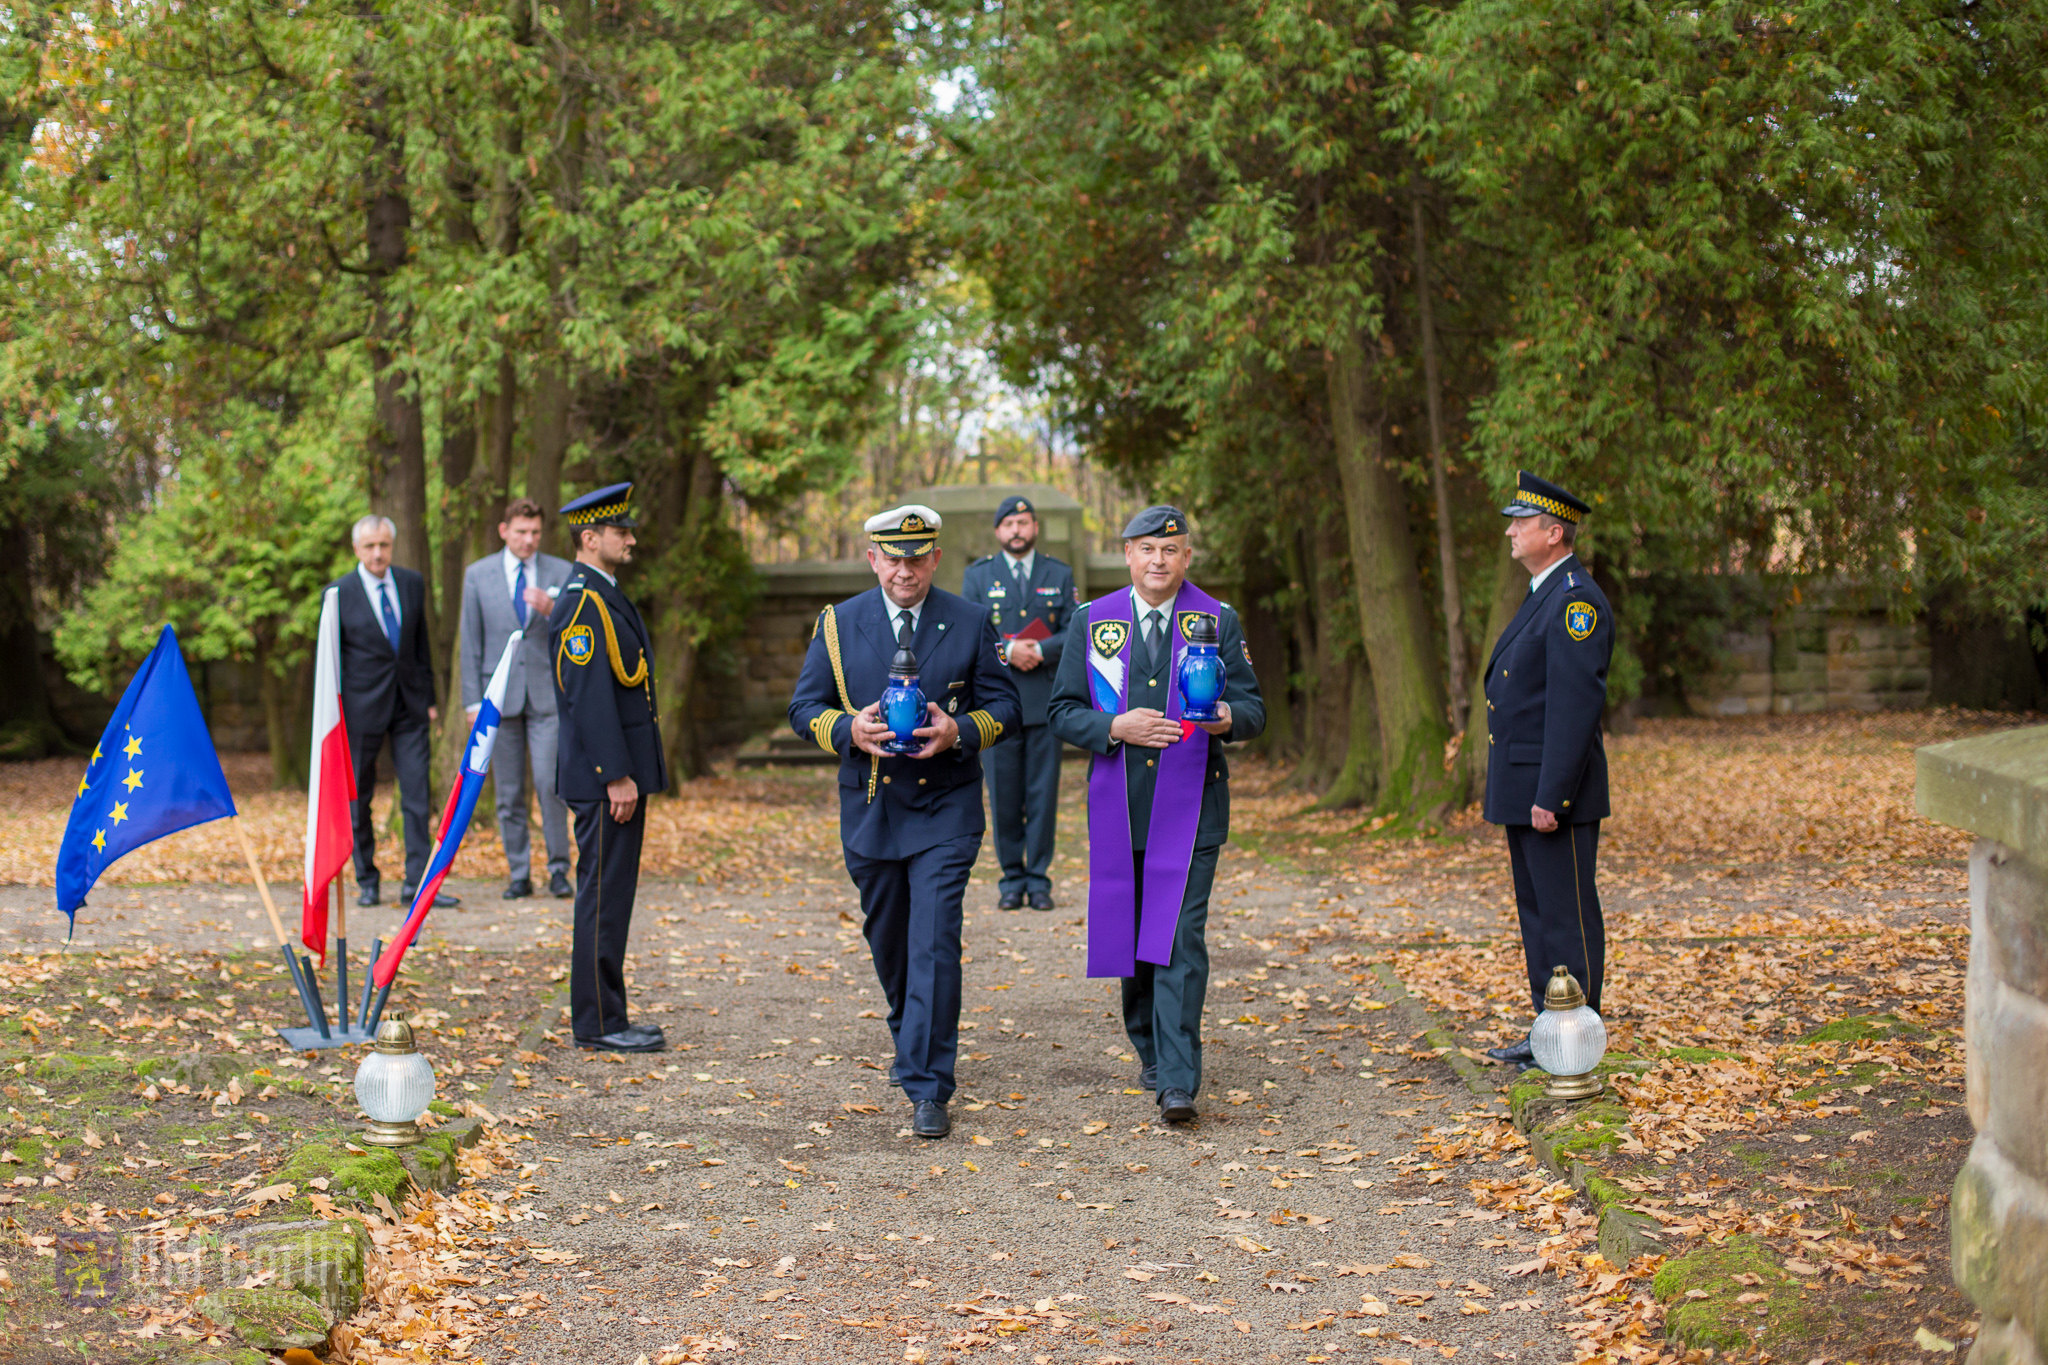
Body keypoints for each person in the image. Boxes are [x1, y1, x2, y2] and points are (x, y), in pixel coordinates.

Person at [788, 505, 1020, 1139]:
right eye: (892, 557)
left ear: (935, 560)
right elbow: (803, 705)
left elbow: (1005, 704)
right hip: (871, 808)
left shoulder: (970, 620)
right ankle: (909, 1032)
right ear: (873, 559)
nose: (904, 570)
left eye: (916, 557)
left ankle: (928, 1083)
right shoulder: (838, 624)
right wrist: (846, 729)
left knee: (935, 942)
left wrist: (959, 730)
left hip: (947, 808)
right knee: (889, 941)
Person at [1048, 506, 1263, 1124]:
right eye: (1146, 549)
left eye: (1170, 550)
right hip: (1121, 806)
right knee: (1133, 936)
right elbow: (1061, 711)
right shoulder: (1093, 621)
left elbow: (1251, 708)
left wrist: (1224, 717)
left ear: (1186, 557)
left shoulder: (1217, 619)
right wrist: (1113, 725)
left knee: (1177, 935)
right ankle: (1147, 1045)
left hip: (1193, 808)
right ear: (1128, 554)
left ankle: (1177, 1078)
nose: (1158, 561)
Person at [1479, 471, 1615, 1068]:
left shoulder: (1574, 602)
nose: (1511, 531)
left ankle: (1577, 1036)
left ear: (1553, 532)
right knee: (1537, 915)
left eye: (1521, 522)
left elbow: (1573, 706)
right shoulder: (1544, 593)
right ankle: (1548, 1031)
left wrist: (1552, 796)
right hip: (1524, 785)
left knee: (1566, 915)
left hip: (1550, 793)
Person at [551, 483, 669, 1053]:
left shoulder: (602, 594)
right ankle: (598, 1021)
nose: (632, 539)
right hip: (605, 781)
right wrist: (615, 774)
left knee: (612, 893)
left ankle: (607, 1013)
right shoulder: (581, 601)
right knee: (601, 895)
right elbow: (587, 693)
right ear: (590, 538)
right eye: (622, 531)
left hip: (616, 776)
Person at [959, 495, 1076, 911]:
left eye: (1024, 521)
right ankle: (1011, 879)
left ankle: (1039, 880)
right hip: (997, 705)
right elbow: (968, 633)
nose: (1016, 530)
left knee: (1043, 795)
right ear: (997, 531)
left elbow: (1074, 630)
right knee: (1004, 795)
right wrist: (1009, 650)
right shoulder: (978, 576)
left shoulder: (1058, 574)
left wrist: (1040, 650)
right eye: (1009, 523)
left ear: (1035, 527)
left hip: (1045, 702)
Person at [331, 515, 451, 910]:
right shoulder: (338, 594)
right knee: (358, 799)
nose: (377, 553)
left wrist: (431, 698)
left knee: (417, 796)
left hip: (411, 707)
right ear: (356, 549)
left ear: (392, 545)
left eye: (383, 545)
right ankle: (367, 880)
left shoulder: (412, 583)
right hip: (359, 711)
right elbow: (331, 660)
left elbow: (422, 647)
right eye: (369, 546)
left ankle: (417, 883)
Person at [459, 497, 575, 901]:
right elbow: (470, 642)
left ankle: (559, 870)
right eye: (521, 532)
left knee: (550, 785)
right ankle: (519, 873)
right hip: (498, 698)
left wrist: (555, 609)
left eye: (535, 533)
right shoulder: (478, 575)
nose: (529, 540)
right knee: (508, 793)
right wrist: (472, 702)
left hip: (547, 697)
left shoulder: (561, 571)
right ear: (504, 530)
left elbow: (579, 633)